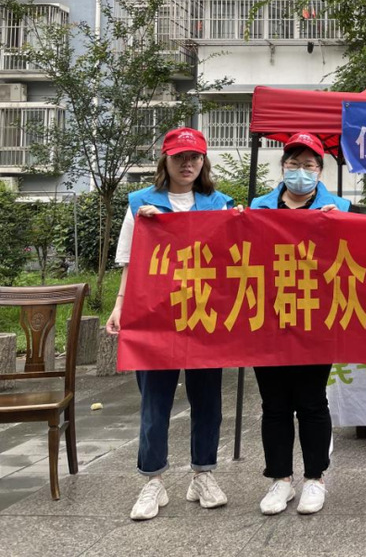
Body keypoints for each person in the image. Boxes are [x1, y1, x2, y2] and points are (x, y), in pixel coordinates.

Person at [105, 127, 234, 521]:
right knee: (155, 400)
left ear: (203, 161)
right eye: (180, 157)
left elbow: (233, 258)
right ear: (166, 160)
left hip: (205, 315)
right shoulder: (140, 204)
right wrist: (120, 306)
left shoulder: (220, 204)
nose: (187, 164)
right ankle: (152, 480)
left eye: (194, 157)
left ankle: (203, 474)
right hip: (154, 314)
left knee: (207, 399)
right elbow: (130, 262)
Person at [249, 132, 351, 515]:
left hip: (316, 317)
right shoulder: (259, 207)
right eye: (294, 164)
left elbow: (352, 260)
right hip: (268, 316)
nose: (301, 171)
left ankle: (314, 478)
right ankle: (280, 479)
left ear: (320, 170)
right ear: (283, 167)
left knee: (311, 400)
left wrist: (339, 225)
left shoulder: (339, 207)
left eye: (309, 165)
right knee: (274, 403)